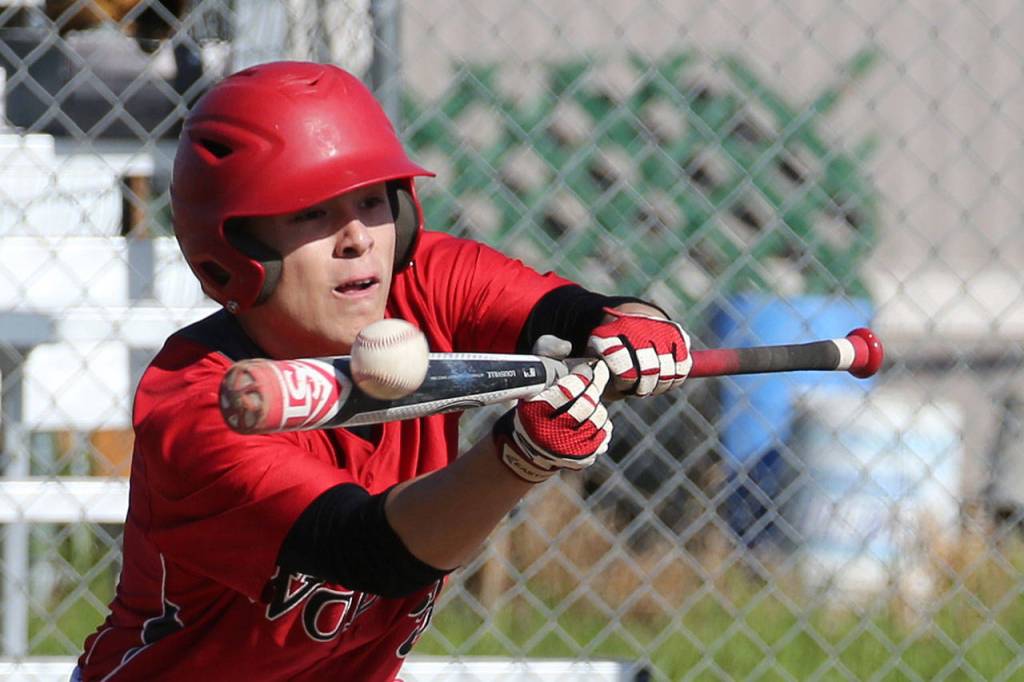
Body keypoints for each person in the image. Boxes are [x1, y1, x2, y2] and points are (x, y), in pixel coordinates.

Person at [75, 61, 692, 681]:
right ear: (231, 255)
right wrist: (518, 459)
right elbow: (371, 551)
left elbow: (576, 314)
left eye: (372, 202)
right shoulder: (203, 403)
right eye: (311, 212)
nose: (357, 238)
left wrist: (639, 328)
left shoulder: (425, 282)